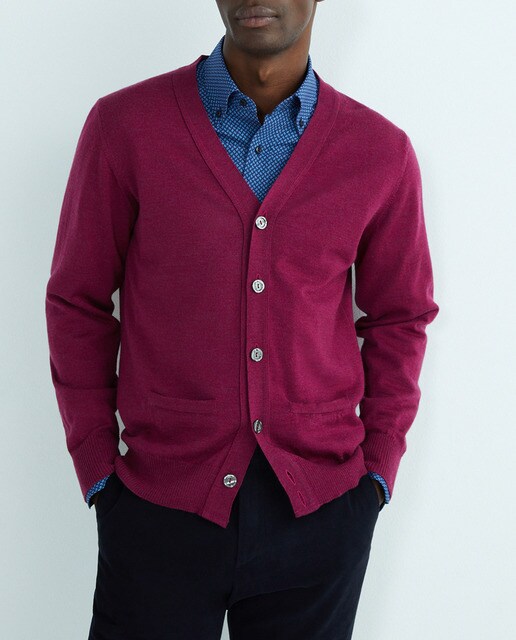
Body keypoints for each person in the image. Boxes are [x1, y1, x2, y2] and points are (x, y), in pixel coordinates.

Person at [45, 1, 439, 638]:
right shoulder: (125, 127)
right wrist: (98, 472)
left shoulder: (380, 153)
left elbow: (401, 316)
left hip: (321, 515)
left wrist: (376, 473)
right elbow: (77, 301)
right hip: (156, 508)